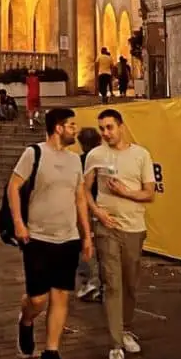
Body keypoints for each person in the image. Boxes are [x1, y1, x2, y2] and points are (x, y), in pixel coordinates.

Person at [7, 107, 92, 359]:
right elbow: (13, 187)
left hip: (67, 238)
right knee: (38, 299)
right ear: (58, 127)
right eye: (71, 125)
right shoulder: (35, 153)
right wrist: (19, 223)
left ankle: (50, 354)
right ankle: (27, 319)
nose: (74, 129)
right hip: (37, 237)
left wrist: (86, 234)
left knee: (61, 296)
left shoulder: (75, 161)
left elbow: (80, 198)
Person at [84, 108, 156, 359]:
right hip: (106, 228)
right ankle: (115, 347)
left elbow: (149, 194)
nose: (106, 133)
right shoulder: (95, 155)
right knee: (112, 284)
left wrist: (127, 192)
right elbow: (84, 189)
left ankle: (125, 329)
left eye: (110, 127)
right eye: (102, 128)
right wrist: (97, 211)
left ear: (121, 126)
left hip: (134, 228)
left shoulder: (141, 155)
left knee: (130, 284)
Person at [75, 127, 103, 301]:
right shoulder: (106, 159)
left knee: (86, 246)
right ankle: (99, 283)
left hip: (86, 209)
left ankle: (92, 284)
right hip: (104, 208)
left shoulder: (79, 162)